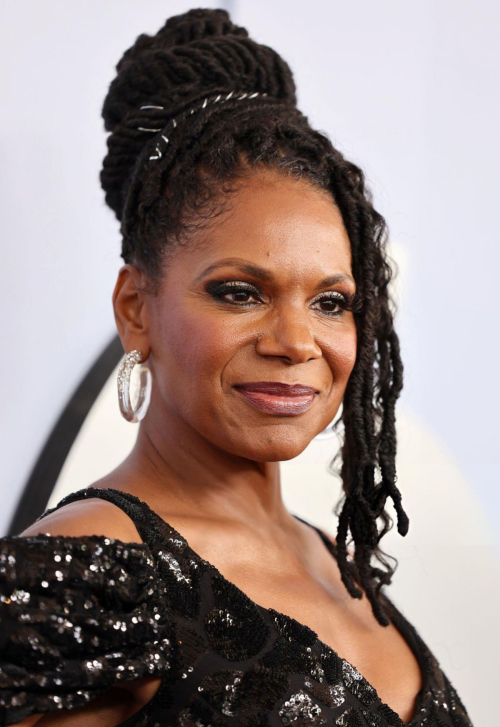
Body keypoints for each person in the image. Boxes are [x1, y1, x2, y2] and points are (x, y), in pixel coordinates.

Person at [0, 8, 473, 727]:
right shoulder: (89, 579)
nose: (295, 340)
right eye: (240, 292)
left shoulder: (333, 558)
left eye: (331, 301)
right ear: (136, 307)